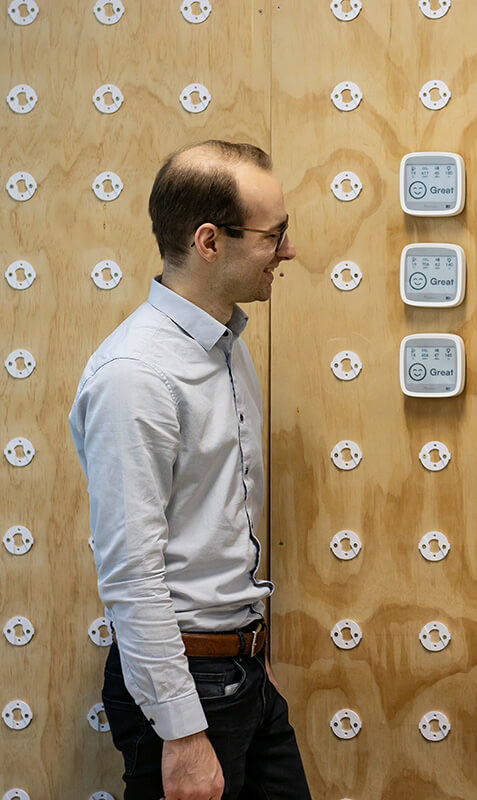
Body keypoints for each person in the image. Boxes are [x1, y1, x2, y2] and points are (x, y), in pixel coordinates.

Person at [69, 141, 311, 800]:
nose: (288, 250)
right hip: (186, 696)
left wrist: (254, 661)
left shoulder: (227, 349)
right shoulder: (137, 376)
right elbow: (131, 570)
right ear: (209, 241)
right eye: (275, 233)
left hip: (240, 678)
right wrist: (180, 733)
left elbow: (218, 531)